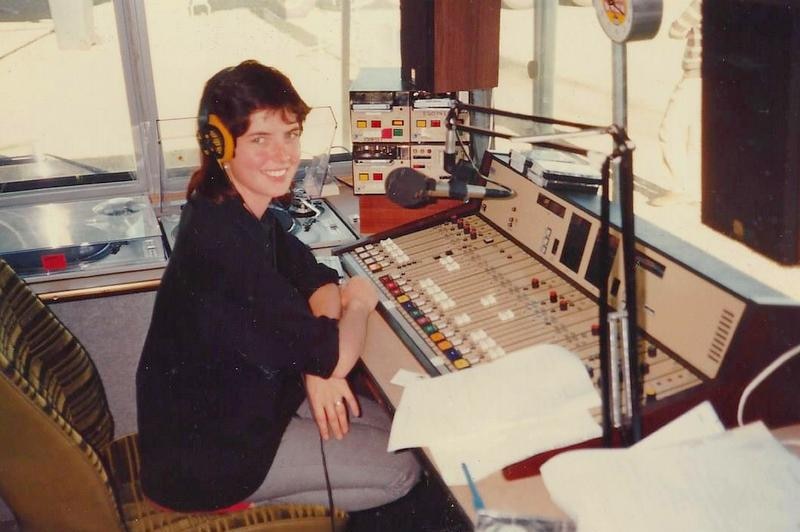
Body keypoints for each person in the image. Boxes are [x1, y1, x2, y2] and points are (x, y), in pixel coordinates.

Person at [136, 60, 420, 514]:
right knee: (405, 468)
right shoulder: (222, 244)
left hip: (236, 413)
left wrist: (315, 363)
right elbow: (341, 350)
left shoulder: (237, 211)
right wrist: (360, 303)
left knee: (393, 425)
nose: (284, 155)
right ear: (220, 146)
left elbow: (316, 277)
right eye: (260, 139)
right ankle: (259, 508)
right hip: (208, 461)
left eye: (290, 134)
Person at [652, 0, 702, 207]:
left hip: (694, 76)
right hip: (718, 78)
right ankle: (696, 189)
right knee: (696, 137)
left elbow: (676, 30)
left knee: (669, 130)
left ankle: (681, 188)